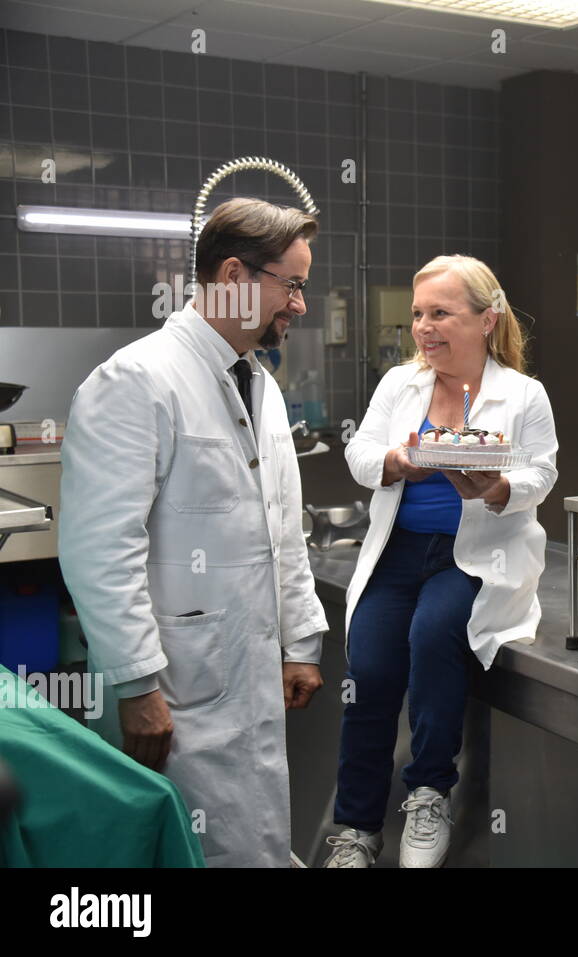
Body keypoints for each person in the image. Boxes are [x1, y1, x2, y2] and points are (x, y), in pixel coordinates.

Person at [59, 197, 329, 867]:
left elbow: (281, 531)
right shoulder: (136, 381)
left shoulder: (256, 387)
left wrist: (300, 639)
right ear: (235, 275)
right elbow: (101, 550)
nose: (300, 305)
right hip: (175, 693)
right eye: (291, 284)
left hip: (245, 675)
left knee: (249, 844)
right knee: (179, 853)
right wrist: (137, 684)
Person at [324, 255, 558, 868]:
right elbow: (361, 454)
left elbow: (542, 471)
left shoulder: (523, 394)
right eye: (418, 315)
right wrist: (400, 463)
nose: (424, 328)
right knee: (369, 673)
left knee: (433, 637)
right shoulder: (401, 385)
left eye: (441, 314)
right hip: (398, 551)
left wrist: (498, 489)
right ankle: (355, 831)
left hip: (476, 557)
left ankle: (429, 795)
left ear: (486, 320)